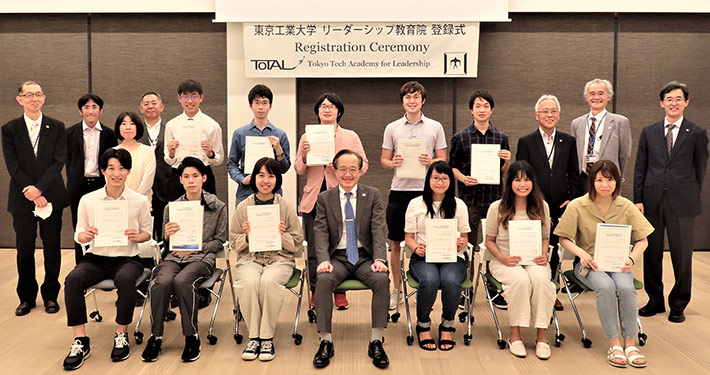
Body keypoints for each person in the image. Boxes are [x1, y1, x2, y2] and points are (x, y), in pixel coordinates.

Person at [556, 160, 653, 368]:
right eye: (599, 180)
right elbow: (563, 238)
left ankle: (630, 343)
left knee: (626, 288)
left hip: (618, 263)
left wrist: (632, 259)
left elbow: (643, 239)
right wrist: (581, 254)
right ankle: (614, 343)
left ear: (616, 182)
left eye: (609, 180)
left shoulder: (625, 205)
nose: (605, 185)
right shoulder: (578, 205)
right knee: (606, 286)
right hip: (589, 264)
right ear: (592, 182)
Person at [62, 148, 152, 370]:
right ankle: (80, 340)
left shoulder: (139, 200)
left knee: (126, 280)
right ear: (103, 171)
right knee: (72, 280)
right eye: (111, 168)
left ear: (128, 171)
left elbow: (148, 233)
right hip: (95, 258)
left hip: (128, 258)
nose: (116, 173)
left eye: (122, 168)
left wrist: (137, 235)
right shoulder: (88, 200)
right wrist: (86, 235)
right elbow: (78, 233)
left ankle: (121, 333)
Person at [634, 81, 708, 323]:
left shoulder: (696, 133)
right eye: (669, 99)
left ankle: (678, 304)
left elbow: (700, 170)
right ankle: (654, 300)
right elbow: (640, 167)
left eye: (678, 99)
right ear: (661, 103)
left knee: (682, 255)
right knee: (651, 253)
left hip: (682, 203)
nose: (673, 103)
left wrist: (689, 195)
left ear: (686, 102)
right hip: (652, 200)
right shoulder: (649, 131)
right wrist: (638, 199)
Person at [141, 156, 228, 363]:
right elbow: (166, 242)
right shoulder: (172, 208)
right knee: (160, 282)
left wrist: (195, 249)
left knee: (182, 281)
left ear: (204, 178)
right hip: (175, 256)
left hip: (202, 259)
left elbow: (220, 241)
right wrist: (169, 236)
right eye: (186, 176)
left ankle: (191, 336)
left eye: (195, 176)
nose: (191, 181)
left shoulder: (218, 206)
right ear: (180, 180)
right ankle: (156, 336)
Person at [312, 149, 389, 369]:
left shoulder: (372, 194)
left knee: (382, 279)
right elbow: (320, 232)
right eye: (343, 169)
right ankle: (325, 340)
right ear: (334, 171)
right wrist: (323, 260)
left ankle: (376, 339)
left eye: (352, 169)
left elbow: (378, 229)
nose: (348, 174)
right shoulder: (324, 198)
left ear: (360, 171)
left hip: (365, 257)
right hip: (337, 258)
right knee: (324, 280)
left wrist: (380, 259)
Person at [294, 92, 369, 310]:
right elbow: (299, 169)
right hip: (314, 199)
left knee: (340, 246)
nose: (327, 110)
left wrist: (342, 168)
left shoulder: (350, 137)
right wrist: (306, 155)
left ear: (338, 111)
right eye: (323, 106)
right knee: (314, 249)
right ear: (317, 111)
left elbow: (364, 165)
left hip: (342, 198)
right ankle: (317, 291)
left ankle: (339, 291)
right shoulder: (307, 137)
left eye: (331, 106)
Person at [2, 81, 69, 316]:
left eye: (38, 94)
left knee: (52, 248)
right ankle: (26, 298)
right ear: (20, 99)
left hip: (51, 196)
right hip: (22, 197)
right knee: (24, 249)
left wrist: (39, 189)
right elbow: (13, 165)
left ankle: (51, 295)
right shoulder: (10, 128)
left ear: (44, 98)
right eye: (29, 95)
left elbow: (58, 162)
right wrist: (30, 190)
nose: (34, 99)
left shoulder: (57, 126)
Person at [381, 81, 447, 311]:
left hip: (426, 192)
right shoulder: (392, 128)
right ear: (403, 101)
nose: (412, 101)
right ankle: (396, 290)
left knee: (426, 241)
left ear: (423, 100)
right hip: (399, 191)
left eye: (416, 97)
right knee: (397, 243)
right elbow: (384, 160)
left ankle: (423, 285)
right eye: (408, 98)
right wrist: (393, 163)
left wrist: (432, 162)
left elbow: (442, 158)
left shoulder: (435, 127)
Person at [232, 157, 303, 362]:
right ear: (254, 178)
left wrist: (282, 235)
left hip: (279, 260)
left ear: (277, 180)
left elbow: (297, 241)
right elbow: (233, 240)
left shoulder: (286, 206)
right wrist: (246, 236)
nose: (265, 180)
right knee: (249, 282)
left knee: (269, 282)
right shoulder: (243, 207)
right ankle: (253, 337)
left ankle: (266, 338)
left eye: (271, 176)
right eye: (261, 175)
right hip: (250, 259)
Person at [516, 94, 582, 310]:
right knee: (531, 246)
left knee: (554, 249)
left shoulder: (568, 141)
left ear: (559, 115)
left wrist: (573, 199)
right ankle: (527, 289)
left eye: (553, 111)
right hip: (533, 204)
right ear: (537, 115)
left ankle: (550, 291)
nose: (549, 115)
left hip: (560, 204)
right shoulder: (526, 141)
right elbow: (520, 174)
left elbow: (574, 173)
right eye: (545, 111)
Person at [485, 160, 555, 360]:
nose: (522, 184)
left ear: (533, 182)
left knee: (541, 281)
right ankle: (515, 335)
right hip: (505, 260)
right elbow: (489, 241)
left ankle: (542, 337)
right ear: (510, 183)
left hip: (534, 260)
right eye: (517, 180)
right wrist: (503, 258)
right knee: (520, 280)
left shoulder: (543, 207)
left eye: (527, 180)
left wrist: (542, 255)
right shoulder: (497, 208)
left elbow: (545, 237)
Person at [450, 90, 511, 309]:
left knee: (494, 245)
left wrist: (507, 161)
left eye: (486, 106)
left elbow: (504, 172)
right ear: (471, 110)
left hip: (494, 200)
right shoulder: (460, 137)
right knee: (467, 246)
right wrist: (462, 178)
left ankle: (495, 291)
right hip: (469, 199)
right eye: (478, 106)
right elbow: (452, 167)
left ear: (491, 110)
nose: (482, 109)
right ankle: (464, 290)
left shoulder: (501, 138)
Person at [404, 161, 469, 351]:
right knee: (430, 279)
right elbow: (408, 237)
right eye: (435, 178)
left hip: (453, 256)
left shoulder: (459, 205)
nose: (440, 182)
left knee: (450, 279)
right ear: (428, 179)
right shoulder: (416, 204)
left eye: (444, 178)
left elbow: (464, 236)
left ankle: (447, 325)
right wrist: (416, 249)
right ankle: (423, 325)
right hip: (424, 257)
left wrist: (461, 242)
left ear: (450, 181)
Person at [66, 93, 118, 264]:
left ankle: (101, 265)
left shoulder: (109, 135)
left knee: (103, 226)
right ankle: (81, 266)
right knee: (80, 228)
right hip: (78, 186)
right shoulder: (70, 133)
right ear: (80, 111)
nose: (90, 111)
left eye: (94, 107)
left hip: (100, 185)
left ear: (101, 111)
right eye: (86, 107)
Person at [228, 84, 291, 205]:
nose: (260, 107)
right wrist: (242, 179)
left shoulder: (280, 134)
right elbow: (231, 164)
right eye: (256, 102)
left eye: (264, 102)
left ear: (270, 106)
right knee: (245, 224)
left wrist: (279, 151)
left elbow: (285, 168)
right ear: (250, 106)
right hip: (246, 193)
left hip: (273, 193)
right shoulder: (239, 133)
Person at [164, 79, 224, 200]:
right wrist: (171, 154)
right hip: (179, 175)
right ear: (179, 99)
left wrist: (210, 154)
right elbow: (168, 160)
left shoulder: (212, 125)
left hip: (203, 175)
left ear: (201, 98)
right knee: (176, 214)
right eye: (185, 97)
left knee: (206, 214)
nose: (190, 101)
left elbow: (219, 160)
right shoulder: (171, 125)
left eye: (194, 96)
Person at [571, 78, 632, 187]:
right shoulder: (576, 124)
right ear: (587, 97)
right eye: (592, 94)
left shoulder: (620, 122)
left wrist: (615, 177)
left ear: (608, 96)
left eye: (601, 93)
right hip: (583, 181)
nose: (596, 97)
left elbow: (624, 154)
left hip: (608, 181)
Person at [137, 91, 171, 240]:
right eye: (146, 104)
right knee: (146, 228)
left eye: (154, 103)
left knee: (165, 228)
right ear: (141, 109)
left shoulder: (171, 129)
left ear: (161, 107)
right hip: (142, 186)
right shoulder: (135, 132)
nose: (150, 106)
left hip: (166, 185)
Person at [115, 112, 156, 200]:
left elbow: (148, 181)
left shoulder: (148, 151)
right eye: (124, 124)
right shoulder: (113, 152)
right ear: (118, 128)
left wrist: (135, 199)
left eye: (132, 124)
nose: (128, 127)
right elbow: (110, 179)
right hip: (119, 201)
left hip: (142, 201)